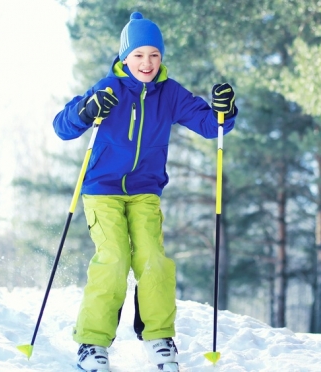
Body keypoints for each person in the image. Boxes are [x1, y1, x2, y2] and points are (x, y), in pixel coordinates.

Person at [53, 11, 237, 372]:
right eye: (138, 55)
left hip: (145, 191)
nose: (146, 63)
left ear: (162, 57)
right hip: (101, 190)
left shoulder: (170, 94)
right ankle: (92, 343)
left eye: (153, 54)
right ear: (125, 58)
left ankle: (158, 337)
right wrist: (87, 110)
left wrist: (224, 111)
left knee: (153, 259)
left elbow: (209, 123)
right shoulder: (109, 89)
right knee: (115, 259)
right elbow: (63, 126)